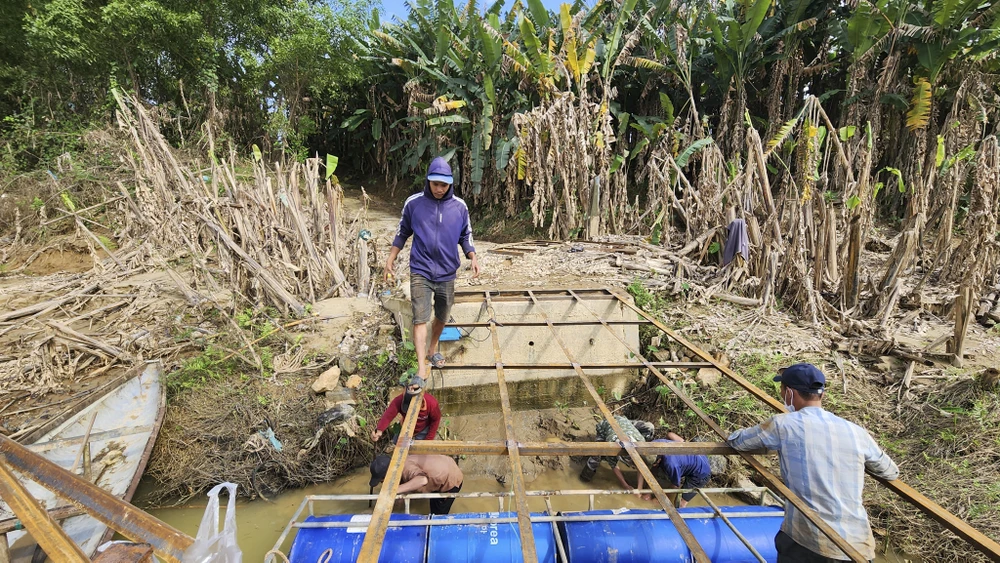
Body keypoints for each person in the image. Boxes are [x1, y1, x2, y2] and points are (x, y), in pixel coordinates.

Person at [727, 363, 899, 563]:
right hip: (856, 546)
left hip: (808, 542)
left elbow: (738, 441)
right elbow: (890, 472)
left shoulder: (784, 424)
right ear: (822, 395)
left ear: (789, 393)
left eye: (782, 391)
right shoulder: (856, 431)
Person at [385, 156, 480, 380]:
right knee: (420, 318)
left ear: (450, 184)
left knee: (442, 316)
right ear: (428, 181)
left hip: (447, 272)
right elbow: (402, 233)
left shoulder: (459, 207)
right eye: (435, 184)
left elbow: (466, 235)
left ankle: (432, 348)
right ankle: (420, 367)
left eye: (443, 185)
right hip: (421, 270)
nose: (439, 189)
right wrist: (390, 258)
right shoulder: (414, 204)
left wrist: (473, 256)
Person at [579, 415, 655, 492]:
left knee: (650, 427)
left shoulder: (641, 442)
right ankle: (584, 479)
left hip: (625, 424)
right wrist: (625, 485)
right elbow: (613, 465)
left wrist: (639, 489)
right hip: (607, 425)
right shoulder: (615, 445)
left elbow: (641, 467)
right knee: (596, 456)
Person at [369, 453, 464, 515]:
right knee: (433, 502)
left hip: (451, 479)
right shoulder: (399, 462)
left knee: (438, 515)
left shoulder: (406, 468)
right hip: (444, 465)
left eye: (382, 480)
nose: (383, 482)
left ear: (388, 473)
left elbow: (422, 480)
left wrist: (395, 490)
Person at [640, 432, 711, 507]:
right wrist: (647, 491)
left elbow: (675, 485)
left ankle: (682, 514)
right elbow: (670, 434)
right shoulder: (653, 445)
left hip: (701, 472)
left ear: (659, 460)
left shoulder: (671, 464)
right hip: (693, 455)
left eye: (655, 464)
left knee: (680, 503)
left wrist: (661, 500)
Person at [371, 376, 441, 442]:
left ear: (421, 404)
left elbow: (436, 420)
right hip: (406, 426)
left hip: (423, 428)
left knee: (420, 448)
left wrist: (428, 440)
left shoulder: (431, 403)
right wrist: (379, 430)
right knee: (399, 444)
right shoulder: (399, 401)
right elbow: (388, 416)